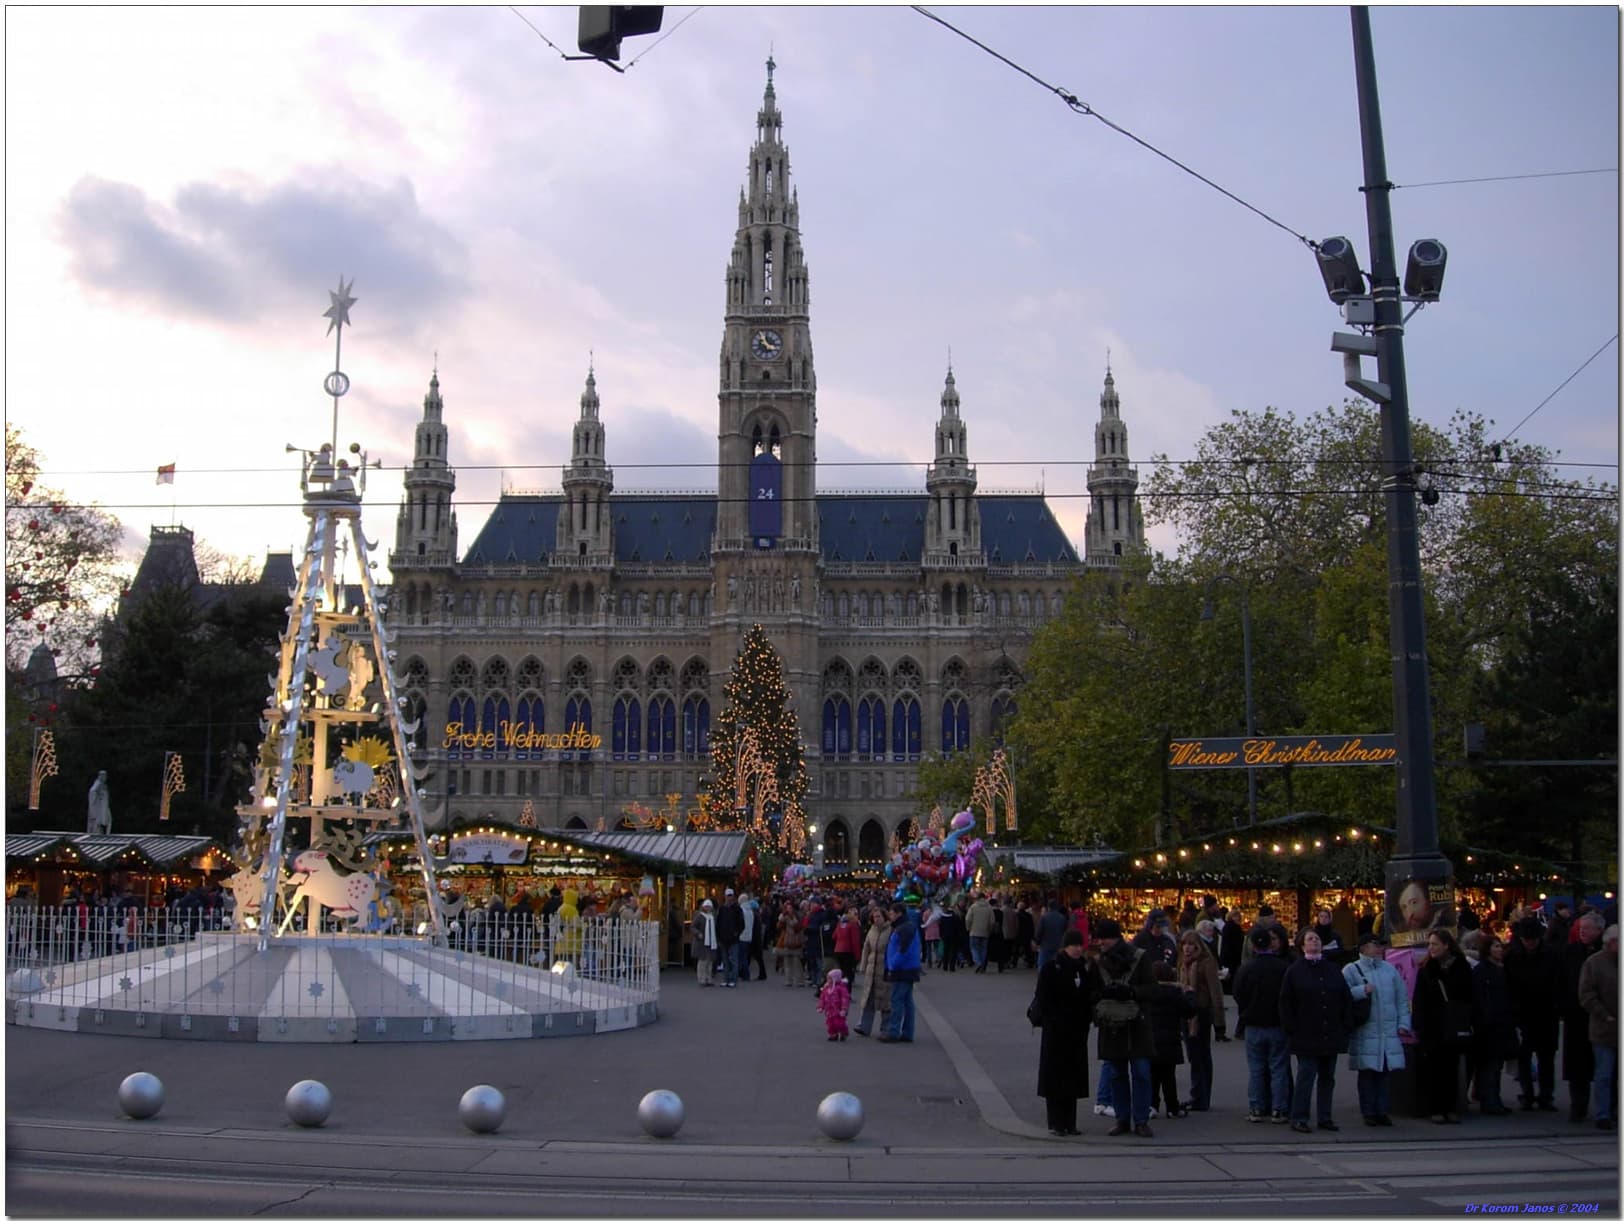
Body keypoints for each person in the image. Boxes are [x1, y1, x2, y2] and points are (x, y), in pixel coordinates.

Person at [1279, 926, 1354, 1134]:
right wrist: (1291, 1028)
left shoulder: (1332, 969)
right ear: (1302, 946)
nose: (1315, 941)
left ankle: (1325, 1117)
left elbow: (1344, 998)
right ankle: (1299, 1116)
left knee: (1327, 1078)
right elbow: (1286, 1003)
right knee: (1306, 1076)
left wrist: (1346, 1024)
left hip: (1330, 1032)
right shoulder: (1295, 971)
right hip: (1305, 1033)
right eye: (1310, 939)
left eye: (1317, 939)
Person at [1092, 917, 1157, 1137]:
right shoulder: (1100, 962)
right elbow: (1092, 992)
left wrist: (1131, 993)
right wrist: (1102, 997)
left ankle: (1139, 1119)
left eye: (1103, 938)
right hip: (1114, 1026)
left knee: (1140, 1073)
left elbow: (1152, 989)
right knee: (1118, 1074)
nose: (1100, 942)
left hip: (1136, 1025)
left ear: (1113, 938)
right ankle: (1124, 1119)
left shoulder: (1138, 957)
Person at [1342, 931, 1411, 1126]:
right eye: (1376, 944)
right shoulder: (1351, 970)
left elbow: (1401, 999)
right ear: (1364, 948)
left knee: (1384, 1073)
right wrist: (1361, 991)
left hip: (1387, 1031)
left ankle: (1381, 1110)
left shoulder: (1389, 970)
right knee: (1368, 1072)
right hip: (1366, 1030)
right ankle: (1369, 1111)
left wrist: (1404, 1024)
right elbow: (1342, 995)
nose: (1380, 948)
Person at [1035, 928, 1096, 1135]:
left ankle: (1070, 1122)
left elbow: (1087, 996)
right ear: (1065, 946)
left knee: (1073, 1077)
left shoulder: (1082, 969)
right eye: (1074, 945)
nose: (1078, 949)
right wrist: (1054, 1018)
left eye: (1080, 945)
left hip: (1077, 1031)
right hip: (1056, 1031)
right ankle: (1056, 1122)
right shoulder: (1052, 967)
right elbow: (1043, 998)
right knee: (1055, 1077)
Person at [1413, 928, 1475, 1123]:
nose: (1431, 948)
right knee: (1434, 1069)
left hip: (1454, 1025)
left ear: (1446, 945)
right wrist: (1419, 1026)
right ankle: (1436, 1108)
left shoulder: (1462, 967)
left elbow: (1469, 997)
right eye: (1429, 944)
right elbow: (1419, 1000)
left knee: (1451, 1068)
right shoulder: (1427, 969)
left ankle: (1450, 1107)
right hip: (1433, 1027)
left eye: (1435, 944)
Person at [1233, 924, 1291, 1124]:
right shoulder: (1283, 967)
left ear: (1253, 946)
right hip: (1277, 1023)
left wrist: (1246, 1011)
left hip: (1253, 1023)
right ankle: (1279, 1109)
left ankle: (1256, 1108)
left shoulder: (1246, 968)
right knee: (1278, 1068)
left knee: (1256, 1068)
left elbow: (1238, 993)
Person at [1505, 915, 1563, 1111]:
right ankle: (1528, 1094)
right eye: (1526, 939)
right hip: (1523, 1014)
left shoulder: (1551, 955)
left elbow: (1558, 982)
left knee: (1546, 1057)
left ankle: (1546, 1095)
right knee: (1524, 1057)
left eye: (1532, 939)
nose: (1529, 943)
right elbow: (1508, 985)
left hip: (1546, 1012)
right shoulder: (1513, 956)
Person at [1562, 911, 1606, 1121]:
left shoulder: (1606, 953)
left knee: (1604, 1065)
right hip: (1575, 1015)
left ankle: (1606, 1107)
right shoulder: (1571, 952)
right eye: (1581, 928)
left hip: (1601, 1016)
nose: (1582, 932)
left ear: (1599, 930)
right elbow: (1562, 979)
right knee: (1577, 1065)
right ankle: (1578, 1105)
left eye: (1587, 928)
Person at [1469, 933, 1517, 1115]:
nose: (1499, 949)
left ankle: (1491, 1098)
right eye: (1495, 946)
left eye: (1500, 946)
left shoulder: (1500, 969)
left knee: (1495, 1064)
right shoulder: (1482, 971)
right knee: (1490, 1065)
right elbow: (1480, 998)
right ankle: (1490, 1100)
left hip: (1500, 1023)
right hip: (1489, 1025)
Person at [1577, 924, 1619, 1131]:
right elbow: (1586, 994)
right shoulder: (1594, 963)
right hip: (1604, 1028)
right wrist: (1604, 1014)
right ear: (1611, 943)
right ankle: (1603, 1114)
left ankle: (1615, 1110)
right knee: (1604, 1074)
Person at [1178, 928, 1224, 1111]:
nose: (1187, 948)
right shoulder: (1183, 963)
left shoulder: (1206, 963)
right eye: (1184, 944)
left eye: (1191, 944)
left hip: (1201, 1013)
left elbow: (1215, 991)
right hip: (1186, 1013)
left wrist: (1219, 1021)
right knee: (1193, 1055)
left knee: (1200, 1055)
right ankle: (1198, 1094)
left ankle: (1200, 1096)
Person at [1146, 960, 1197, 1119]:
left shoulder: (1148, 993)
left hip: (1151, 1039)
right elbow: (1189, 1010)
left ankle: (1152, 1105)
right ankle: (1172, 1107)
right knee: (1168, 1076)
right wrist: (1190, 994)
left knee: (1152, 1075)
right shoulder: (1174, 993)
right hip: (1170, 1039)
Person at [880, 901, 921, 1043]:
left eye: (892, 913)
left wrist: (892, 965)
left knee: (897, 1000)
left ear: (899, 913)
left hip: (902, 969)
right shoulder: (906, 926)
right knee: (907, 1001)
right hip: (909, 968)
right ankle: (907, 1032)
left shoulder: (904, 928)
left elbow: (903, 950)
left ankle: (893, 1031)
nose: (890, 916)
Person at [851, 903, 892, 1037]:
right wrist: (863, 966)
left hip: (884, 969)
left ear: (885, 917)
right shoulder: (872, 930)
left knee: (886, 1000)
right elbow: (866, 948)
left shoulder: (890, 930)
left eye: (879, 916)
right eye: (874, 917)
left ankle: (885, 1029)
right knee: (869, 999)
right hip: (871, 969)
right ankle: (864, 1026)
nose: (877, 919)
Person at [1035, 896, 1070, 975]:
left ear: (1048, 907)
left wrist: (1037, 942)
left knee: (1042, 966)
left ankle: (1044, 980)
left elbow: (1039, 932)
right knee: (1057, 966)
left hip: (1045, 945)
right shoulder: (1062, 918)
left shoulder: (1044, 918)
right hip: (1058, 946)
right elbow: (1066, 932)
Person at [776, 899, 805, 987]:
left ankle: (800, 981)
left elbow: (798, 928)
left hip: (796, 941)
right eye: (787, 908)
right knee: (787, 962)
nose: (788, 910)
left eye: (790, 908)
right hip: (787, 940)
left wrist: (792, 918)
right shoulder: (785, 917)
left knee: (797, 963)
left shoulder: (798, 916)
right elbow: (779, 927)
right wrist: (782, 918)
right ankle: (788, 980)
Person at [818, 966, 851, 1041]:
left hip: (838, 1010)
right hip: (829, 1009)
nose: (828, 980)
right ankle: (833, 1034)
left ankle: (843, 1032)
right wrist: (821, 1007)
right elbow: (822, 998)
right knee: (830, 1023)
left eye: (830, 978)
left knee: (839, 1023)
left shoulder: (841, 988)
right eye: (827, 978)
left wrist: (844, 1009)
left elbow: (844, 999)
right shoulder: (826, 988)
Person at [691, 898, 718, 986]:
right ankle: (702, 979)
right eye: (706, 906)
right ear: (703, 907)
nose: (708, 908)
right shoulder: (699, 916)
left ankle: (708, 979)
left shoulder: (713, 916)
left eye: (709, 907)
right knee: (702, 961)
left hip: (711, 942)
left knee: (710, 961)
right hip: (701, 942)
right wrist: (698, 933)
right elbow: (693, 927)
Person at [966, 892, 995, 973]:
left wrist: (968, 928)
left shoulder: (973, 907)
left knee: (974, 948)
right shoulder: (989, 908)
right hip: (985, 932)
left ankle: (978, 962)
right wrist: (990, 929)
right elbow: (992, 921)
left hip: (974, 931)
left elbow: (968, 919)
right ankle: (982, 964)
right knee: (983, 949)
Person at [833, 907, 862, 979]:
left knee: (841, 971)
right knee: (848, 973)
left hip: (838, 950)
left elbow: (834, 936)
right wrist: (857, 956)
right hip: (848, 951)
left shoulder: (840, 924)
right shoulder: (853, 925)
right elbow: (855, 941)